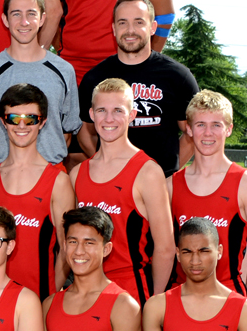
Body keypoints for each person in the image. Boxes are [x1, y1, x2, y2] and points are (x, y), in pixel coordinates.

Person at [70, 78, 175, 303]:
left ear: (132, 115)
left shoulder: (147, 171)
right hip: (84, 291)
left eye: (118, 110)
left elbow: (165, 248)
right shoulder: (77, 174)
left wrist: (154, 301)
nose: (109, 119)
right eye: (102, 110)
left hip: (131, 290)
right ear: (91, 114)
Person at [77, 0, 199, 174]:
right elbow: (86, 135)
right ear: (113, 28)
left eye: (139, 22)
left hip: (162, 186)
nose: (130, 30)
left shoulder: (178, 76)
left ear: (153, 27)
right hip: (111, 182)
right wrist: (109, 167)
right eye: (122, 22)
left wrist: (161, 175)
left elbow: (192, 133)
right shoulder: (95, 78)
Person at [171, 90, 247, 298]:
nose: (208, 133)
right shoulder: (170, 186)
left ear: (228, 129)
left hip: (228, 297)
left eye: (216, 125)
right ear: (189, 129)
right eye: (200, 125)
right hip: (179, 297)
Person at [0, 83, 75, 298]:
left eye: (30, 118)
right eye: (14, 118)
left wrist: (47, 297)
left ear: (42, 122)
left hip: (39, 298)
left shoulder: (58, 182)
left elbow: (67, 249)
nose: (22, 125)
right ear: (3, 122)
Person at [0, 0, 81, 166]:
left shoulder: (64, 70)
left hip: (51, 174)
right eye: (16, 14)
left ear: (42, 18)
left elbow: (66, 132)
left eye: (31, 14)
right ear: (5, 20)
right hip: (1, 175)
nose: (24, 22)